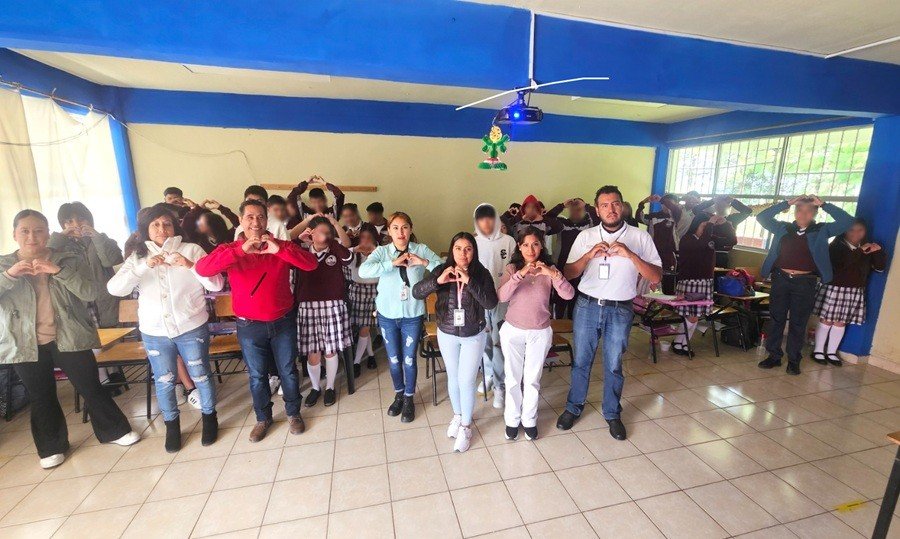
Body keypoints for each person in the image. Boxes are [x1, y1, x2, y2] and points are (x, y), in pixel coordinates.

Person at [1, 210, 139, 469]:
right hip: (25, 342)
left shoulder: (68, 259)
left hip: (69, 336)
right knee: (41, 396)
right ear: (14, 234)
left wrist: (57, 271)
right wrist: (9, 276)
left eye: (39, 230)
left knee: (90, 386)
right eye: (25, 231)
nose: (32, 237)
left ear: (48, 233)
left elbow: (90, 292)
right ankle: (51, 447)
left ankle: (114, 431)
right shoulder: (3, 264)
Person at [195, 200, 318, 442]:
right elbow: (202, 269)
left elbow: (310, 264)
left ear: (267, 220)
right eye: (250, 217)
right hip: (249, 325)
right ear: (240, 221)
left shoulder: (280, 245)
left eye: (260, 217)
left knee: (288, 371)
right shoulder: (230, 249)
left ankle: (293, 413)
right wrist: (241, 251)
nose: (255, 222)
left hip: (283, 321)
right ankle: (263, 418)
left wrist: (278, 250)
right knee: (257, 375)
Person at [107, 206, 225, 452]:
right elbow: (115, 289)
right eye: (155, 225)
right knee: (164, 380)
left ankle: (209, 417)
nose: (162, 230)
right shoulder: (138, 257)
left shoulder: (191, 249)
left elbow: (216, 284)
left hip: (191, 326)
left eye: (167, 224)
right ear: (146, 229)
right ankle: (172, 426)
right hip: (155, 331)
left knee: (201, 374)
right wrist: (143, 267)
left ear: (175, 226)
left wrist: (190, 264)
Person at [557, 186, 662, 440]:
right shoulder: (586, 236)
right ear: (597, 209)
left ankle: (612, 413)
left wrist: (630, 254)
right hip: (587, 306)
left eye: (615, 203)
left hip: (620, 309)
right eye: (605, 205)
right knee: (581, 360)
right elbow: (569, 273)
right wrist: (589, 255)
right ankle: (573, 407)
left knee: (614, 364)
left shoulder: (640, 237)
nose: (611, 209)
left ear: (622, 205)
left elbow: (656, 276)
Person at [413, 232, 498, 452]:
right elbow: (417, 292)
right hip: (447, 332)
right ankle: (458, 416)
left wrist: (469, 281)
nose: (463, 253)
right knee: (453, 377)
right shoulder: (442, 270)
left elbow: (490, 302)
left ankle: (467, 426)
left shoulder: (481, 273)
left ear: (474, 251)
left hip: (473, 334)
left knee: (466, 380)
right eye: (458, 248)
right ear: (452, 250)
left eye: (468, 248)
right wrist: (437, 281)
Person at [756, 195, 854, 375]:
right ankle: (774, 356)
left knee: (798, 322)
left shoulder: (821, 230)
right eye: (800, 209)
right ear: (795, 211)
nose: (803, 214)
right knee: (776, 319)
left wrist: (824, 204)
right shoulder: (783, 227)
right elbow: (762, 218)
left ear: (815, 213)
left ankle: (793, 360)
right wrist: (786, 203)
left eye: (809, 210)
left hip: (805, 282)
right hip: (781, 278)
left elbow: (847, 221)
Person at [359, 212, 441, 422]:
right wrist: (392, 263)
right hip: (387, 316)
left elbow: (441, 268)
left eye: (404, 227)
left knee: (409, 359)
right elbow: (363, 271)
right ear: (389, 230)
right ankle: (398, 393)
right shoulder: (382, 251)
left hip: (412, 316)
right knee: (394, 360)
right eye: (395, 227)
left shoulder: (420, 249)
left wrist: (423, 262)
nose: (400, 232)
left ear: (410, 229)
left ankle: (408, 398)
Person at [498, 227, 574, 441]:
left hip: (539, 331)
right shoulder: (512, 268)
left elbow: (568, 295)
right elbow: (501, 297)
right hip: (513, 330)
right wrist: (520, 275)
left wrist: (551, 274)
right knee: (512, 377)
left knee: (532, 379)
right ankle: (512, 420)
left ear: (542, 246)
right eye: (525, 245)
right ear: (519, 247)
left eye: (535, 244)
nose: (531, 249)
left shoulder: (549, 269)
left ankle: (529, 420)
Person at [295, 216, 354, 407]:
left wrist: (333, 234)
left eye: (328, 232)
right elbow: (285, 245)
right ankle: (315, 387)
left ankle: (329, 387)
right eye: (321, 231)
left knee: (330, 350)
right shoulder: (302, 250)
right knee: (313, 352)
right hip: (308, 306)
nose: (326, 235)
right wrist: (302, 237)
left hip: (333, 305)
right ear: (311, 233)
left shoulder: (335, 250)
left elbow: (348, 257)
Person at [812, 219, 886, 366]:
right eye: (851, 230)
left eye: (860, 230)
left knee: (841, 322)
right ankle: (818, 350)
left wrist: (878, 252)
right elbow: (840, 265)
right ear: (844, 231)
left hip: (855, 290)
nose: (856, 234)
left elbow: (879, 268)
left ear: (865, 232)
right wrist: (860, 251)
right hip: (834, 287)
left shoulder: (866, 248)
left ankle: (832, 352)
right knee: (826, 319)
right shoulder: (836, 247)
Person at [49, 202, 123, 329]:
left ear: (90, 220)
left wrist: (97, 236)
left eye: (81, 219)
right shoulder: (60, 246)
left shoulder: (102, 240)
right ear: (63, 225)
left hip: (106, 303)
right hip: (78, 306)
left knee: (113, 343)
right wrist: (60, 237)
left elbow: (112, 260)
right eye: (69, 221)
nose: (76, 225)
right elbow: (45, 261)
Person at [473, 204, 516, 408]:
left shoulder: (508, 241)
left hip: (503, 300)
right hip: (480, 299)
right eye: (482, 219)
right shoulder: (472, 242)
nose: (486, 222)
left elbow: (515, 268)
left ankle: (500, 385)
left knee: (498, 342)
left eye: (490, 218)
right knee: (484, 341)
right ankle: (489, 374)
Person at [670, 215, 717, 356]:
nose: (706, 228)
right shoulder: (687, 239)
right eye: (704, 225)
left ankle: (683, 344)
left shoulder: (709, 239)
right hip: (689, 282)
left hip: (705, 281)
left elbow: (731, 240)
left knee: (696, 315)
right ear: (696, 224)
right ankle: (679, 342)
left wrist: (723, 224)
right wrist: (708, 227)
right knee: (690, 315)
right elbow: (699, 247)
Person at [545, 198, 599, 318]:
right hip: (562, 267)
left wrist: (586, 206)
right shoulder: (562, 224)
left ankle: (573, 326)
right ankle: (557, 325)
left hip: (583, 268)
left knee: (577, 300)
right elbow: (546, 219)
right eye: (573, 209)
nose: (576, 211)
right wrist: (562, 205)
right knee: (560, 299)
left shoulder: (589, 225)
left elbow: (600, 220)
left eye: (579, 209)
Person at [348, 226, 380, 373]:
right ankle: (371, 355)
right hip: (357, 291)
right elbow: (343, 257)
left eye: (369, 238)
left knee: (365, 327)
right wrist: (355, 249)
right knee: (363, 328)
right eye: (363, 237)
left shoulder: (380, 252)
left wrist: (375, 249)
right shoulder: (354, 253)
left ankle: (356, 362)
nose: (365, 241)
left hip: (375, 290)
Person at [694, 195, 748, 266]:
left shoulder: (732, 219)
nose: (722, 206)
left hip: (721, 255)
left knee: (718, 275)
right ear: (715, 206)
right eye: (719, 204)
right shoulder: (707, 217)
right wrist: (713, 200)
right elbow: (695, 210)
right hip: (704, 253)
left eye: (725, 203)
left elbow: (747, 211)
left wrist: (732, 201)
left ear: (729, 206)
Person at [636, 194, 679, 272]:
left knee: (668, 280)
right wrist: (643, 203)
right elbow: (639, 218)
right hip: (654, 252)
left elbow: (674, 209)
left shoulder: (676, 216)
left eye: (669, 204)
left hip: (670, 254)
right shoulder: (654, 216)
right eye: (664, 204)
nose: (666, 206)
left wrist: (662, 200)